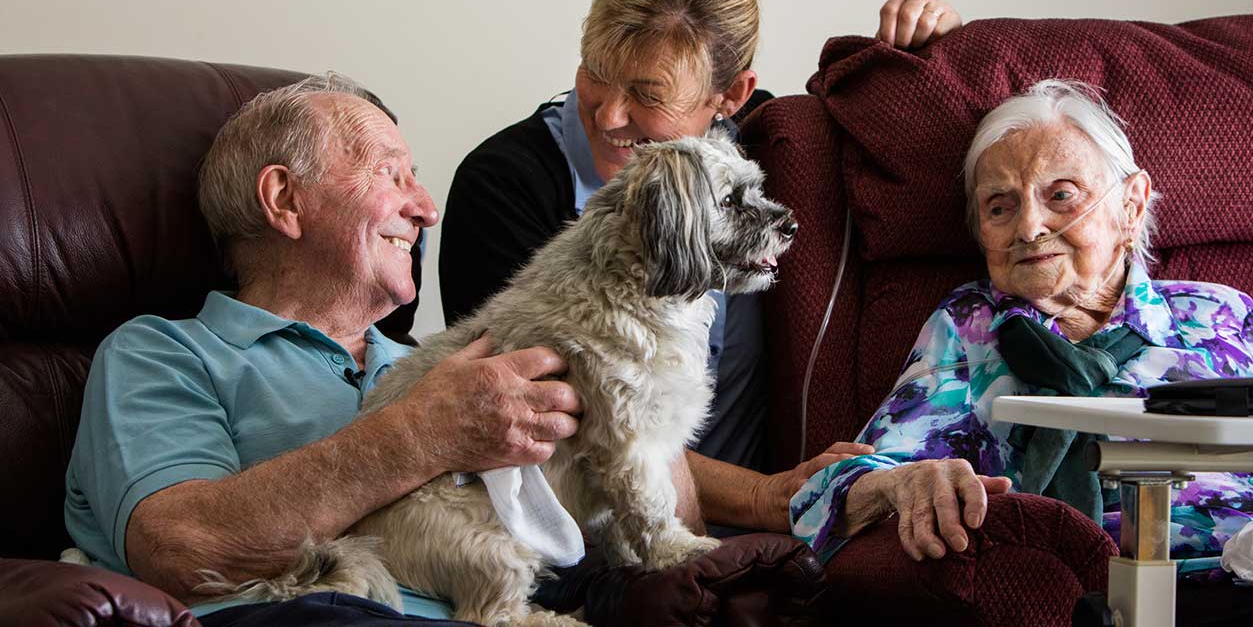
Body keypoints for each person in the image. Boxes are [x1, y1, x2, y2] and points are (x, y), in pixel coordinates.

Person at [62, 75, 818, 626]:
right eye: (393, 175)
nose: (426, 207)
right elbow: (182, 547)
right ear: (284, 200)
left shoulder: (432, 364)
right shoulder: (162, 353)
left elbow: (638, 493)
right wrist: (421, 433)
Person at [789, 78, 1253, 622]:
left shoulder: (1221, 311)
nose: (1029, 227)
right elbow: (839, 483)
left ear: (1131, 206)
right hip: (1193, 584)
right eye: (1000, 207)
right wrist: (903, 485)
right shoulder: (973, 328)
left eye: (1060, 195)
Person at [439, 0, 968, 535]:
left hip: (762, 531)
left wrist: (937, 41)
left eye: (648, 94)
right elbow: (561, 424)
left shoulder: (774, 146)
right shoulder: (504, 185)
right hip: (596, 531)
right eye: (595, 73)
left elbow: (926, 136)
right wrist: (763, 497)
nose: (610, 116)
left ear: (731, 98)